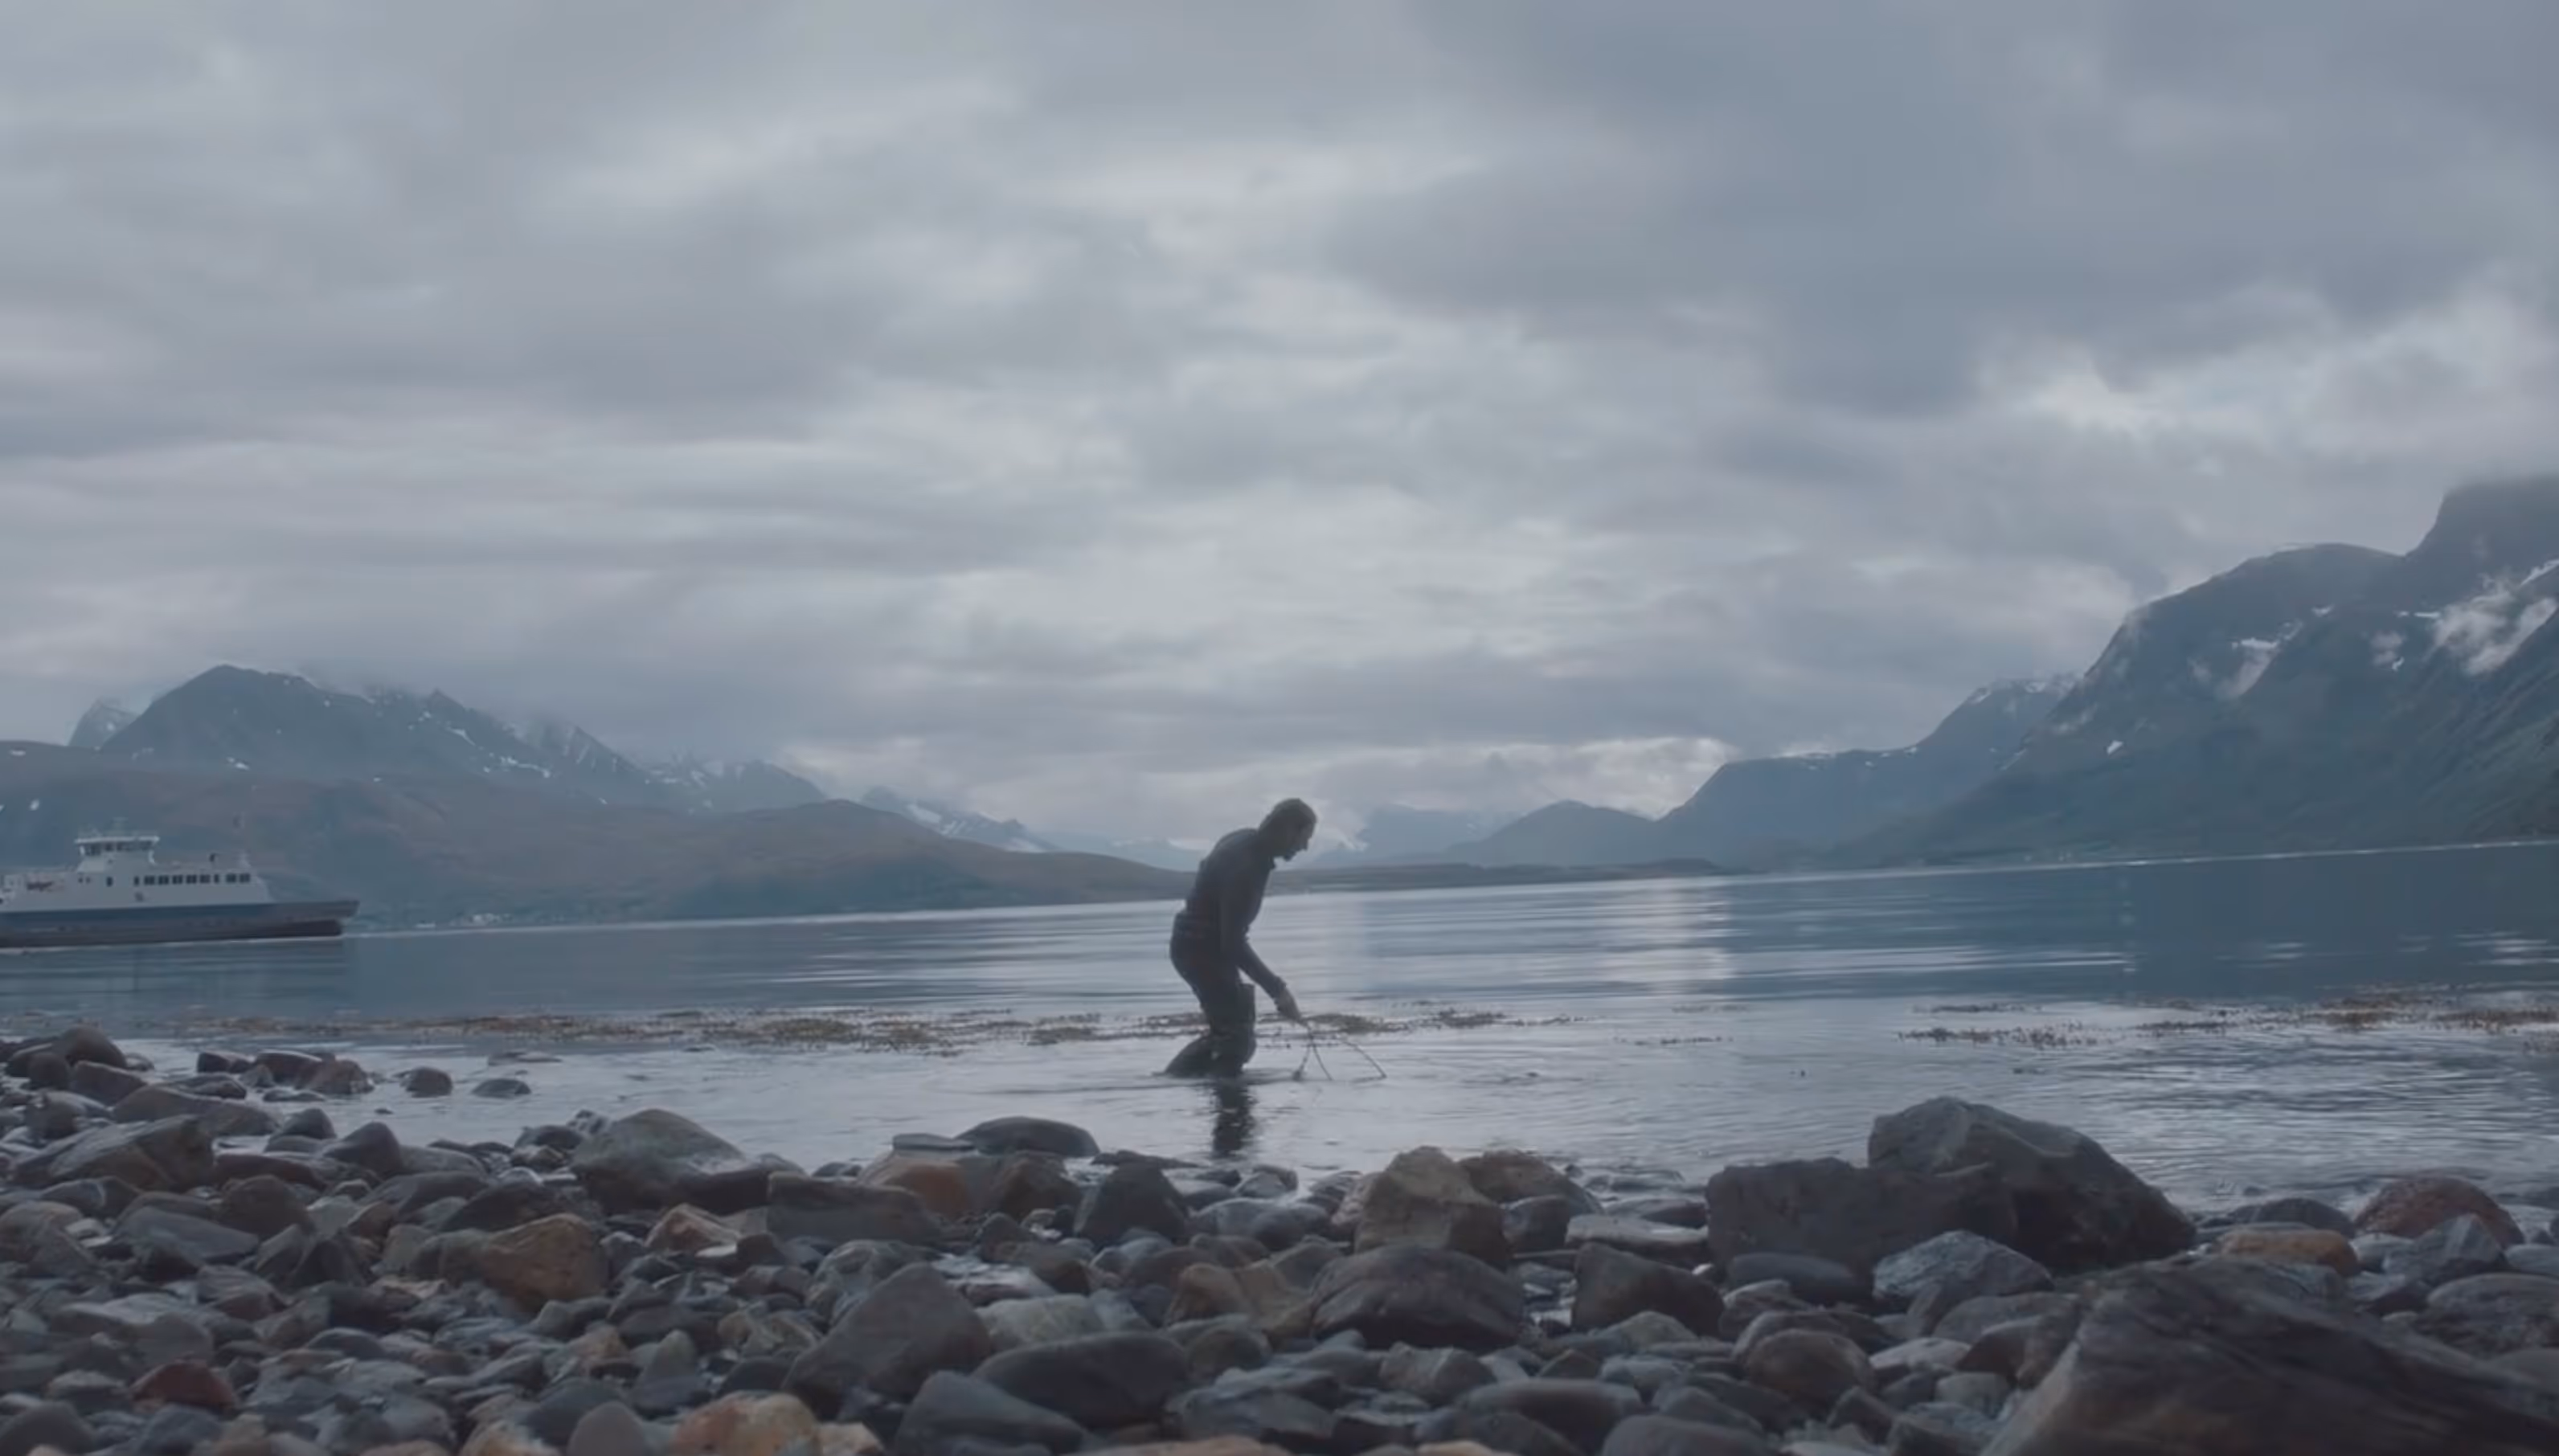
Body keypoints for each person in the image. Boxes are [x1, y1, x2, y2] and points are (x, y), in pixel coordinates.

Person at [1163, 796, 1316, 1078]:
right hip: (1199, 951)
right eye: (1304, 838)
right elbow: (1232, 943)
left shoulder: (1243, 839)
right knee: (1236, 1039)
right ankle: (1224, 1103)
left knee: (1231, 1032)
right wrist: (1279, 991)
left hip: (1193, 946)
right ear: (1288, 830)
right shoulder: (1248, 867)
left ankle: (1188, 1086)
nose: (1304, 846)